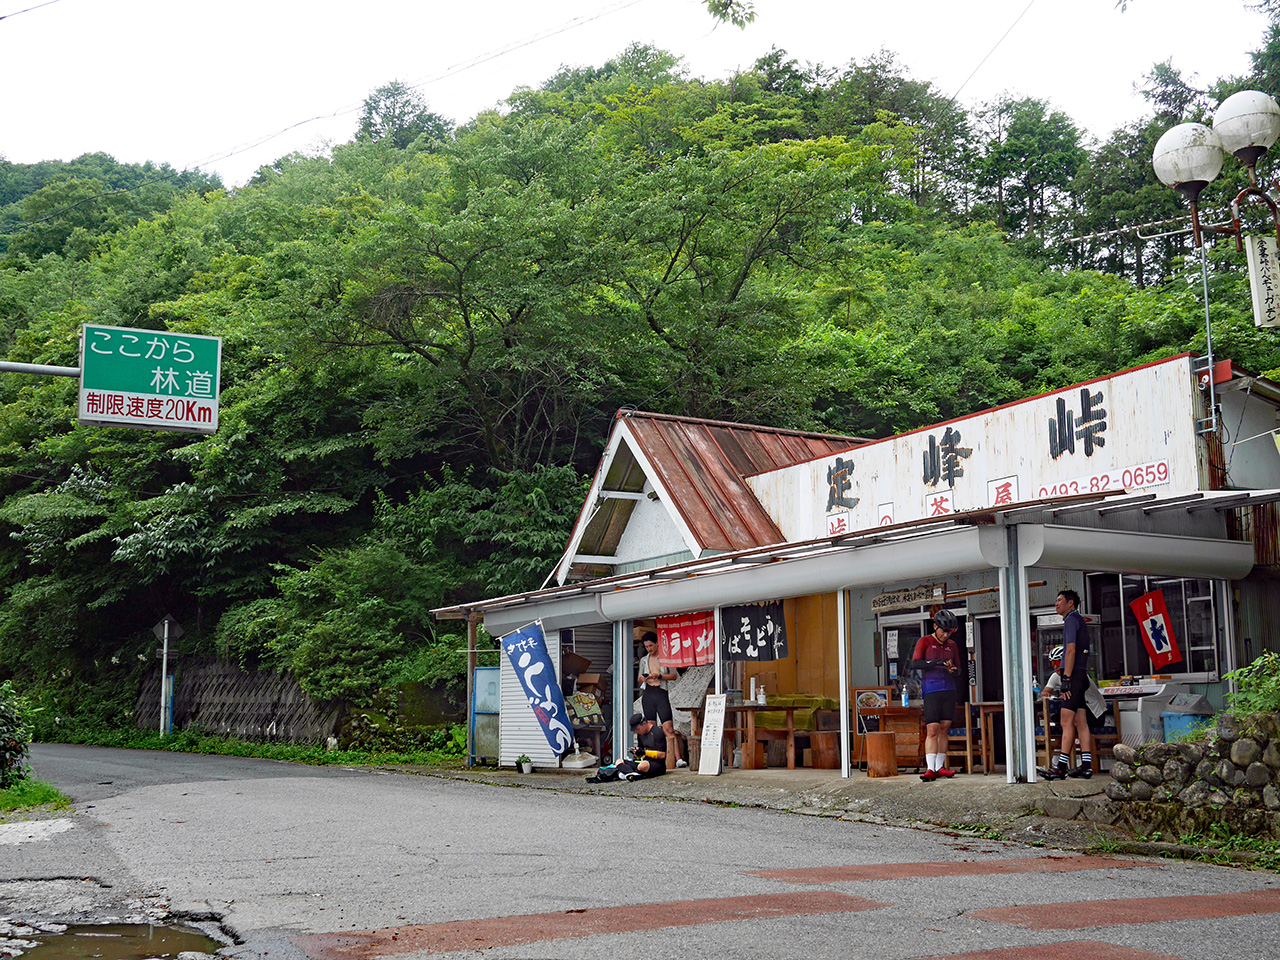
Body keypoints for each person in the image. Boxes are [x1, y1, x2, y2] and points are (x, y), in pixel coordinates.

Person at [1044, 590, 1095, 780]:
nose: (1056, 604)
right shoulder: (1078, 620)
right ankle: (1086, 766)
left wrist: (1066, 679)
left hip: (1073, 675)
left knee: (1066, 721)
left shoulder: (1071, 620)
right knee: (1080, 722)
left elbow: (1071, 650)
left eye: (1059, 600)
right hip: (1081, 674)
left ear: (1070, 603)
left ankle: (1061, 767)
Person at [911, 606, 963, 782]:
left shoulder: (952, 645)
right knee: (932, 729)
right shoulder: (924, 641)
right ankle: (930, 768)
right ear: (935, 626)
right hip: (931, 688)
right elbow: (915, 664)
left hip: (949, 688)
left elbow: (959, 670)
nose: (946, 635)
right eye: (944, 631)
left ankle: (940, 767)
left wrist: (953, 670)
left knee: (944, 727)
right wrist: (937, 662)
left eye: (950, 632)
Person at [639, 630, 686, 768]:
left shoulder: (666, 658)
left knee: (668, 728)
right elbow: (639, 678)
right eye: (646, 647)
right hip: (648, 693)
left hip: (661, 693)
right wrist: (643, 678)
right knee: (652, 728)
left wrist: (659, 676)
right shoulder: (644, 660)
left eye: (651, 646)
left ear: (657, 644)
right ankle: (654, 758)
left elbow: (674, 676)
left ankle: (678, 758)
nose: (649, 649)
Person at [584, 713, 667, 783]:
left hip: (657, 764)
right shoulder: (641, 734)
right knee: (619, 761)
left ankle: (629, 773)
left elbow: (662, 755)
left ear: (644, 724)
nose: (638, 732)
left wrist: (645, 752)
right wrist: (636, 753)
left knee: (642, 766)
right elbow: (640, 752)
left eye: (638, 729)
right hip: (644, 760)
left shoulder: (657, 732)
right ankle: (631, 774)